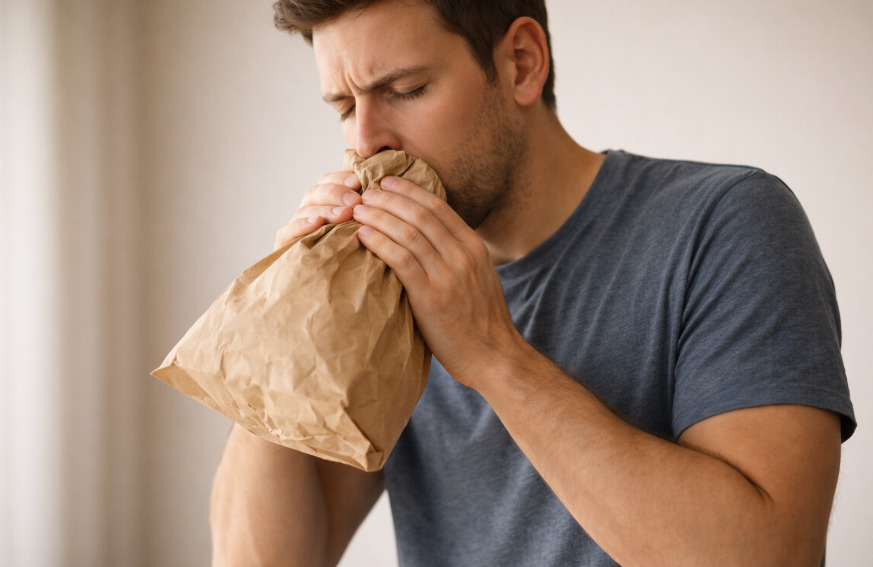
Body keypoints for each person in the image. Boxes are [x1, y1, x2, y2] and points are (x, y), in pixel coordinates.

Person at [210, 1, 856, 565]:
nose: (366, 141)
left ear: (520, 62)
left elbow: (765, 555)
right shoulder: (383, 286)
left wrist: (491, 353)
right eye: (345, 106)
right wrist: (285, 318)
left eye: (404, 89)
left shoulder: (726, 222)